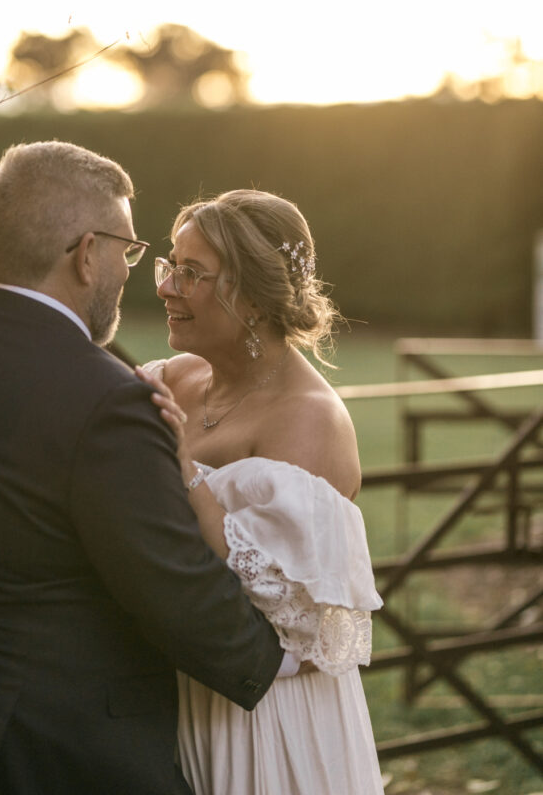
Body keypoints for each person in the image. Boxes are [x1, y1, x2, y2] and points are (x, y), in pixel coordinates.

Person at [0, 143, 290, 795]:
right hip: (75, 751)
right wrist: (275, 657)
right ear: (87, 254)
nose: (132, 272)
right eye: (129, 250)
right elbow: (171, 584)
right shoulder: (109, 398)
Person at [138, 189, 385, 795]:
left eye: (190, 273)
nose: (165, 287)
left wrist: (180, 465)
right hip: (176, 702)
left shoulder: (310, 420)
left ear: (251, 297)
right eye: (169, 265)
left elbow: (287, 616)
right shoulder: (173, 379)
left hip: (266, 723)